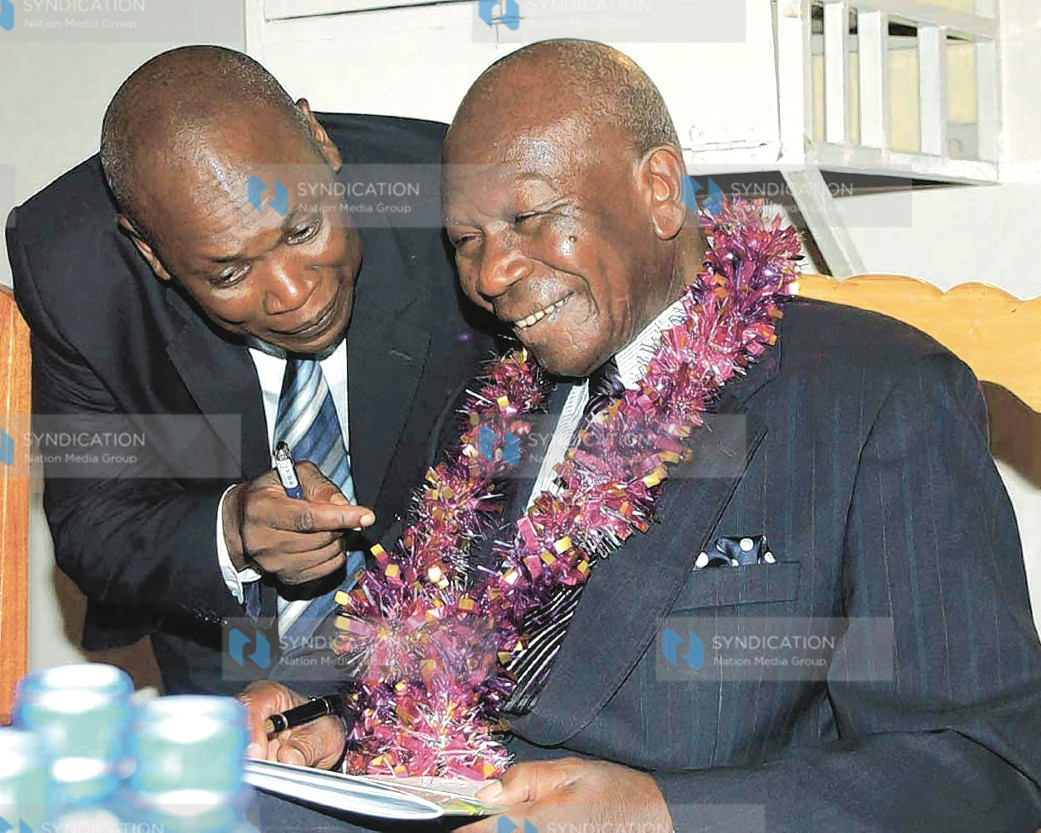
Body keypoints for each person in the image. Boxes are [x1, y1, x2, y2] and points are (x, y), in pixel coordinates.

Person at [243, 40, 1041, 832]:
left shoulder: (876, 394)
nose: (489, 275)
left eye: (528, 217)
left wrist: (661, 815)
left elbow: (983, 769)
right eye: (465, 240)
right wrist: (317, 708)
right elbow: (411, 618)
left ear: (659, 189)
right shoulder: (488, 405)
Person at [8, 46, 492, 696]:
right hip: (230, 659)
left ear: (319, 143)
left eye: (301, 230)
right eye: (230, 273)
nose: (292, 293)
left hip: (451, 649)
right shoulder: (77, 267)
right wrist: (233, 529)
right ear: (150, 250)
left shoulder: (448, 198)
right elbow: (97, 525)